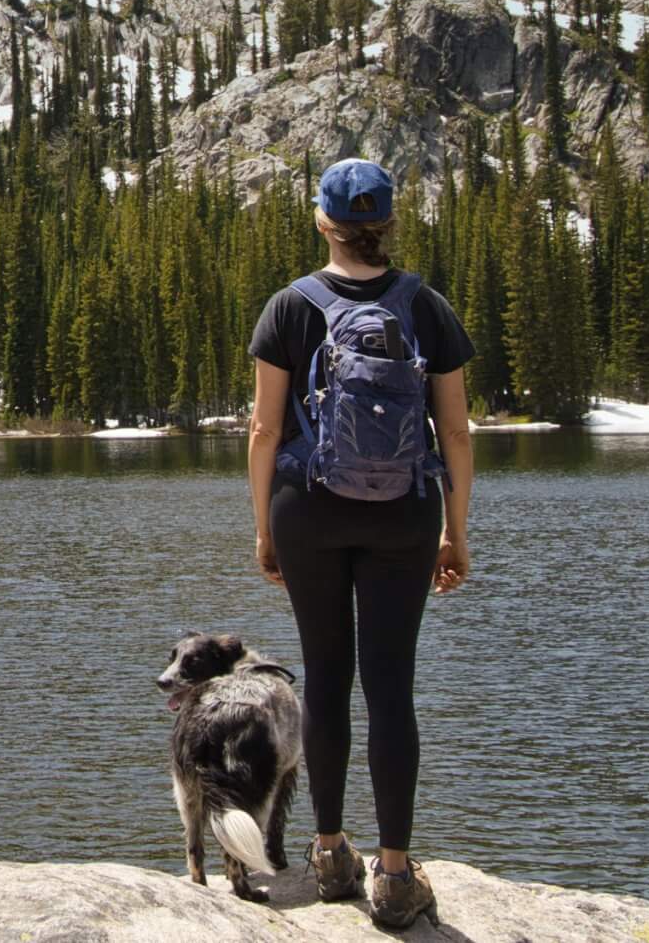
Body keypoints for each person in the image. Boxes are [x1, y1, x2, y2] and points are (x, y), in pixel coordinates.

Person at [247, 158, 475, 930]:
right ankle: (396, 874)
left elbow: (265, 430)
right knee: (390, 685)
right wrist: (455, 529)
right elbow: (456, 431)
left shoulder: (290, 305)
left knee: (325, 675)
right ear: (389, 225)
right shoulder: (426, 306)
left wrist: (264, 528)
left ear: (323, 221)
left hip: (306, 510)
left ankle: (330, 851)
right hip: (403, 516)